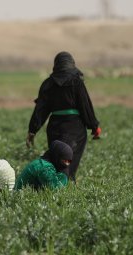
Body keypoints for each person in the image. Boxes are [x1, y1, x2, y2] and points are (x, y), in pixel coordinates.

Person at [25, 51, 101, 181]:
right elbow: (85, 106)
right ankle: (64, 184)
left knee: (58, 159)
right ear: (71, 64)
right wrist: (94, 126)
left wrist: (32, 130)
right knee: (68, 160)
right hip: (74, 128)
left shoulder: (48, 84)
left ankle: (55, 184)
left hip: (54, 127)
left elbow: (41, 110)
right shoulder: (77, 82)